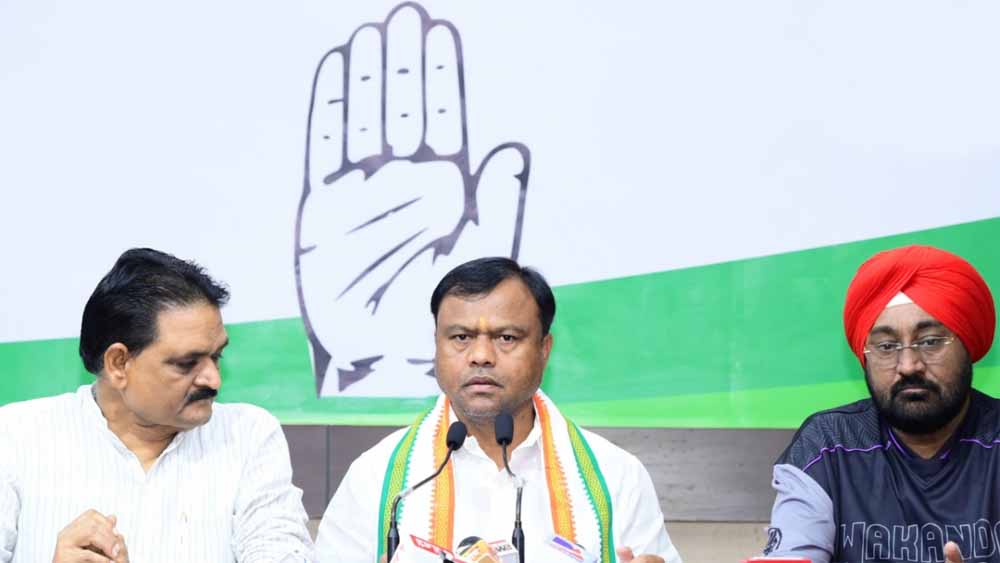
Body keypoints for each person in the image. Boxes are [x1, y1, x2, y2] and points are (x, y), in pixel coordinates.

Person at [315, 257, 681, 563]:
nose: (481, 356)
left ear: (544, 349)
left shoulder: (616, 476)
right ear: (436, 346)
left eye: (506, 338)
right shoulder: (376, 477)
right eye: (461, 337)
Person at [0, 248, 314, 563]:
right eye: (187, 363)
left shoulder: (247, 436)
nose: (213, 380)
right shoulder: (16, 438)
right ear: (118, 363)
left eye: (216, 356)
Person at [765, 245, 997, 563]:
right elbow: (793, 554)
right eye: (886, 346)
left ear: (967, 345)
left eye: (930, 341)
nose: (909, 365)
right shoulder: (828, 445)